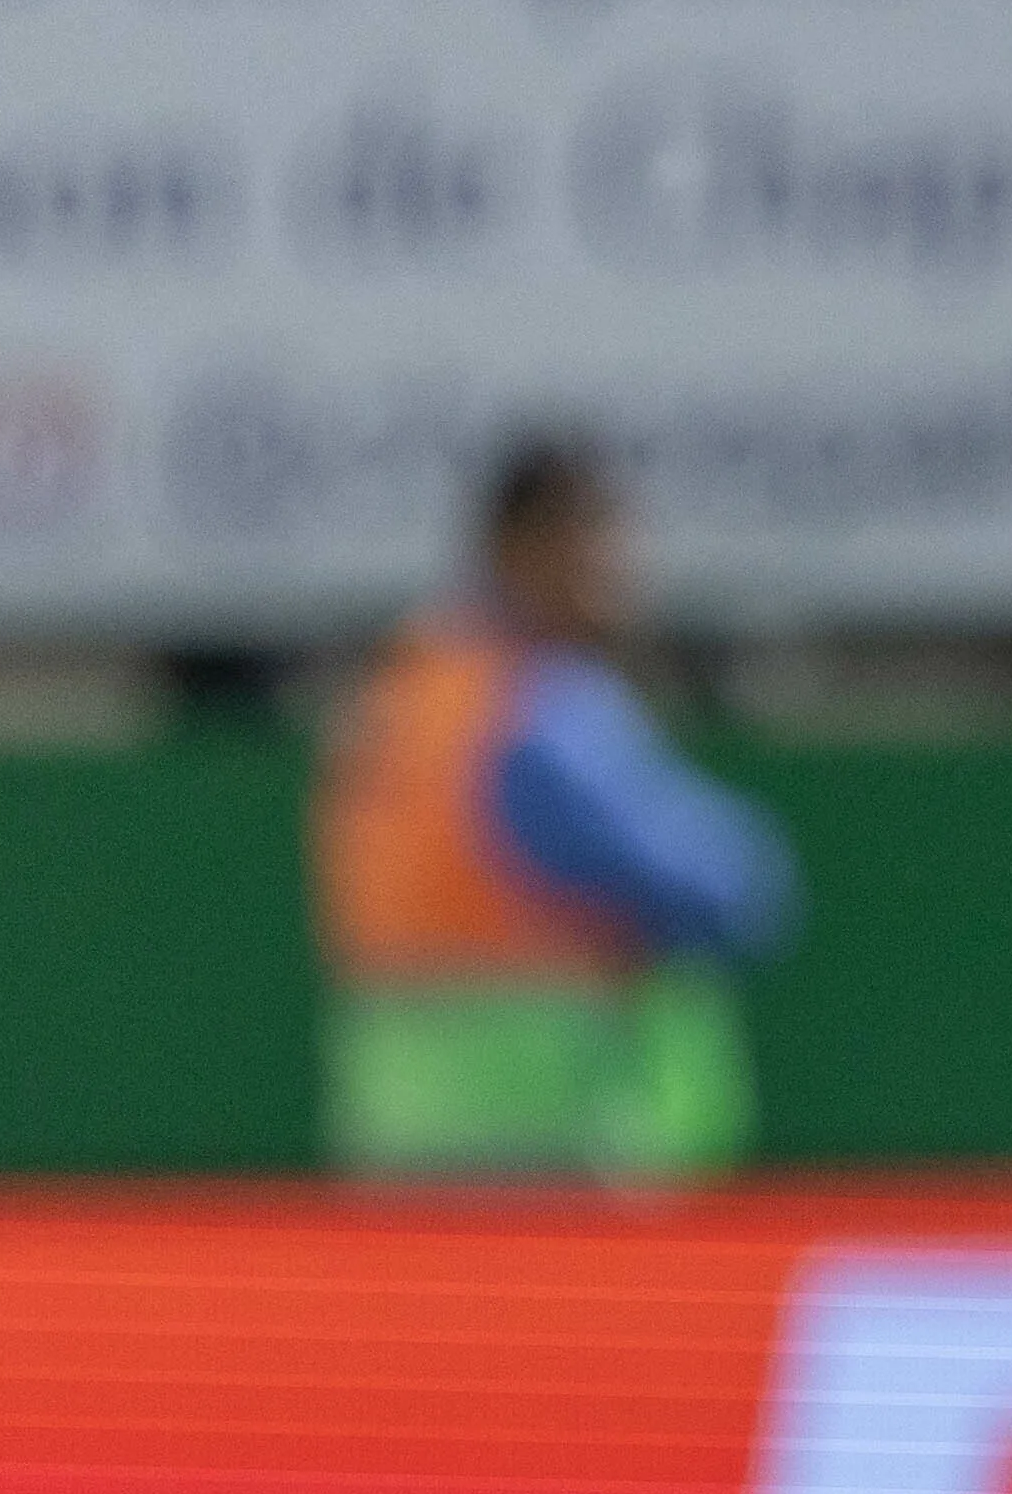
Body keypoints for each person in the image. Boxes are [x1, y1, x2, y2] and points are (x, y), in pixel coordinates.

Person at [313, 435, 797, 1186]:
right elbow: (725, 886)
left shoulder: (406, 686)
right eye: (594, 541)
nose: (617, 572)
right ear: (526, 546)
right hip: (554, 1139)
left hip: (404, 1136)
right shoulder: (537, 706)